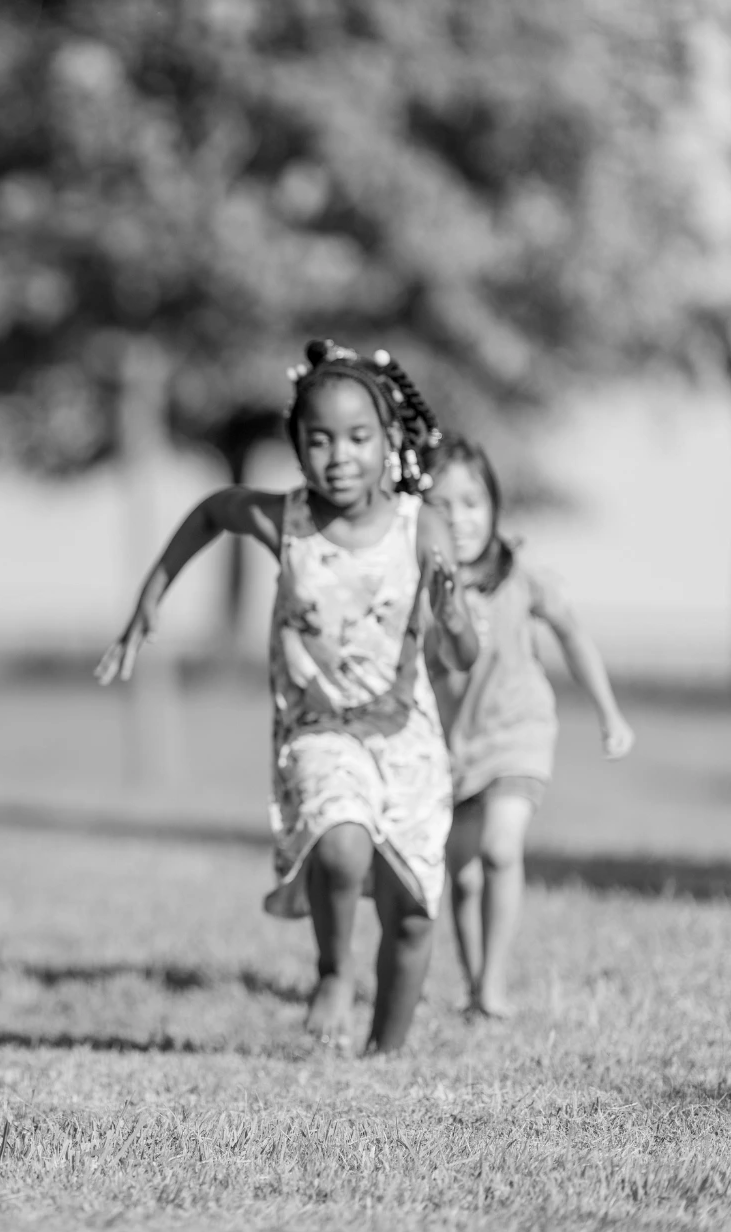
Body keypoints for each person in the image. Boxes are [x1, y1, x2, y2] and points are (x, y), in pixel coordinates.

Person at [97, 340, 476, 1055]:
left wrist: (453, 617)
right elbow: (214, 512)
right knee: (341, 843)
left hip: (407, 738)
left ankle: (384, 1055)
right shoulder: (289, 521)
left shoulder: (420, 528)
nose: (340, 455)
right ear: (297, 447)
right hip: (318, 729)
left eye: (359, 438)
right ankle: (333, 971)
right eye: (320, 439)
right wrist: (151, 597)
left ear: (390, 441)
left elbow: (459, 657)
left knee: (415, 912)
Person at [422, 437, 634, 1019]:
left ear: (494, 505)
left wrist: (609, 713)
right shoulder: (422, 589)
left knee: (500, 847)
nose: (458, 518)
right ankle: (473, 988)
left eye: (471, 502)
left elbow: (573, 634)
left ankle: (492, 987)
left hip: (520, 734)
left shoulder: (522, 576)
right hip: (455, 748)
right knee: (460, 879)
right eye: (440, 505)